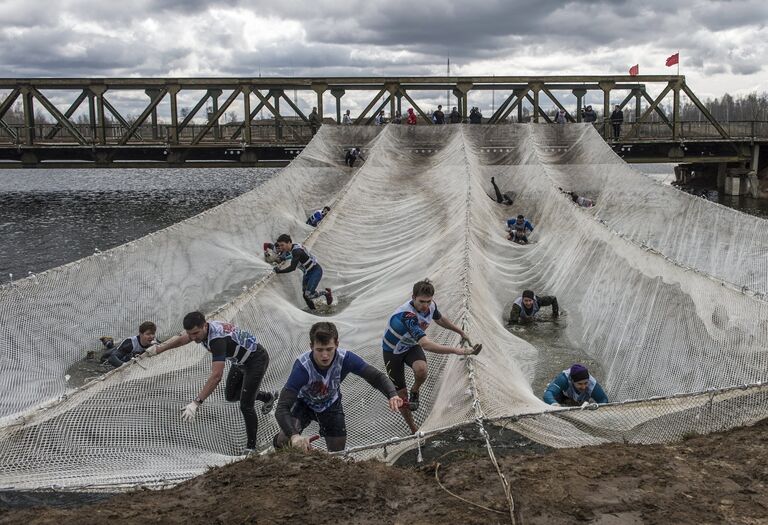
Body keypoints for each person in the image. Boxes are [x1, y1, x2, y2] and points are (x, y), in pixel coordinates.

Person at [143, 311, 277, 453]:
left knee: (246, 405)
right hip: (239, 361)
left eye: (196, 333)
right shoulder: (200, 332)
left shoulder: (217, 340)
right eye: (190, 334)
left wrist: (196, 402)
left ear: (205, 326)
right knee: (231, 396)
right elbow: (183, 339)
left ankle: (251, 448)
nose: (193, 338)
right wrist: (159, 349)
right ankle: (267, 397)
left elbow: (216, 376)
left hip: (256, 360)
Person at [273, 322, 402, 452]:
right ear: (311, 347)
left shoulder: (346, 358)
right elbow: (282, 407)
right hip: (303, 403)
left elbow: (377, 377)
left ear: (337, 345)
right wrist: (295, 436)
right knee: (285, 440)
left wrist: (392, 394)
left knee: (337, 452)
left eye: (329, 349)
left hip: (330, 404)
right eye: (319, 350)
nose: (325, 355)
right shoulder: (302, 367)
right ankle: (277, 446)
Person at [383, 279, 481, 434]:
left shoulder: (431, 305)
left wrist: (460, 332)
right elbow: (426, 345)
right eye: (421, 301)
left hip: (409, 345)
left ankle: (415, 390)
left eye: (428, 301)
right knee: (402, 396)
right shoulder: (407, 316)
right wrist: (457, 351)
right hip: (392, 352)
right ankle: (413, 429)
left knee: (422, 370)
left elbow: (440, 319)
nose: (425, 306)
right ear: (413, 297)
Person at [273, 234, 333, 310]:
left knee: (308, 294)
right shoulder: (294, 247)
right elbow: (293, 256)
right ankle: (313, 311)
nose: (281, 248)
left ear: (289, 242)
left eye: (282, 245)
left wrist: (279, 271)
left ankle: (326, 293)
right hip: (307, 273)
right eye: (279, 246)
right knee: (305, 296)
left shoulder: (296, 251)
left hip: (315, 271)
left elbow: (292, 268)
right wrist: (285, 258)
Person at [543, 364, 608, 406]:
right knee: (558, 398)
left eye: (586, 383)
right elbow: (548, 394)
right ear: (572, 381)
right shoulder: (563, 379)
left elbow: (603, 400)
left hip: (582, 397)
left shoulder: (592, 383)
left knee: (582, 403)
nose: (583, 387)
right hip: (564, 394)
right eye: (580, 384)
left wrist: (594, 407)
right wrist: (555, 404)